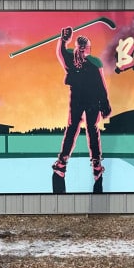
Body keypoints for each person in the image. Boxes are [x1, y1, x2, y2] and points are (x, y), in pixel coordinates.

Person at [53, 27, 111, 189]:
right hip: (90, 100)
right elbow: (101, 85)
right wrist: (104, 103)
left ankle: (63, 162)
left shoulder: (71, 59)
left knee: (73, 128)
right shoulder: (94, 62)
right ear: (88, 48)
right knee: (91, 129)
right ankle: (96, 164)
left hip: (78, 99)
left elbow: (61, 52)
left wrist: (63, 39)